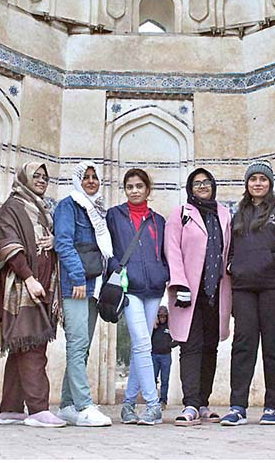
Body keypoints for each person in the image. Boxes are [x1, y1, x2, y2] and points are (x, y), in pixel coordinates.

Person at [219, 161, 275, 427]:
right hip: (244, 288)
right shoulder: (238, 214)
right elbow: (228, 249)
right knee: (243, 345)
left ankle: (273, 407)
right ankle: (237, 406)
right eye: (253, 179)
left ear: (270, 183)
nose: (258, 184)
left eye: (263, 179)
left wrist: (271, 261)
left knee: (274, 347)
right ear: (247, 183)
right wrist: (233, 266)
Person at [0, 161, 65, 428]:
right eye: (36, 175)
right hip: (24, 287)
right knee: (33, 346)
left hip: (43, 287)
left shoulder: (41, 209)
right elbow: (8, 244)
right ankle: (38, 408)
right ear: (23, 177)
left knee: (21, 347)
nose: (41, 180)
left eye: (45, 177)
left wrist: (54, 242)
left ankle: (10, 409)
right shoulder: (13, 206)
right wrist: (30, 278)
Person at [164, 168, 232, 426]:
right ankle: (190, 403)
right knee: (190, 347)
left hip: (216, 292)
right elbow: (172, 250)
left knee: (209, 347)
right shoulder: (180, 214)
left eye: (206, 182)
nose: (202, 186)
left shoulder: (224, 215)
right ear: (190, 189)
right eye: (196, 183)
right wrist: (180, 283)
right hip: (189, 292)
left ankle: (203, 402)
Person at [106, 168, 170, 426]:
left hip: (154, 288)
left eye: (139, 186)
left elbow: (164, 251)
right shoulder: (114, 215)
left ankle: (128, 404)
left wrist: (163, 273)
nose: (134, 190)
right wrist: (116, 270)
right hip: (130, 288)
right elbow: (105, 247)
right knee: (144, 343)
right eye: (129, 186)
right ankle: (154, 406)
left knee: (138, 347)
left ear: (147, 189)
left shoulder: (158, 221)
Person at [53, 161, 113, 427]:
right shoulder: (69, 205)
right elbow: (63, 243)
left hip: (94, 287)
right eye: (85, 177)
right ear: (77, 180)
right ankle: (85, 405)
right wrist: (77, 276)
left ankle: (67, 405)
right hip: (76, 285)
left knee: (83, 348)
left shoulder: (97, 209)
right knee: (77, 346)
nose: (90, 181)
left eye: (94, 177)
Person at [151, 306, 176, 410]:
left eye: (164, 316)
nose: (162, 318)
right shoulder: (154, 326)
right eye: (160, 316)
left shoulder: (170, 326)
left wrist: (169, 345)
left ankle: (163, 400)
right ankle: (153, 400)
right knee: (153, 379)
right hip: (154, 355)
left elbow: (178, 338)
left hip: (166, 355)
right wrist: (153, 326)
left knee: (165, 379)